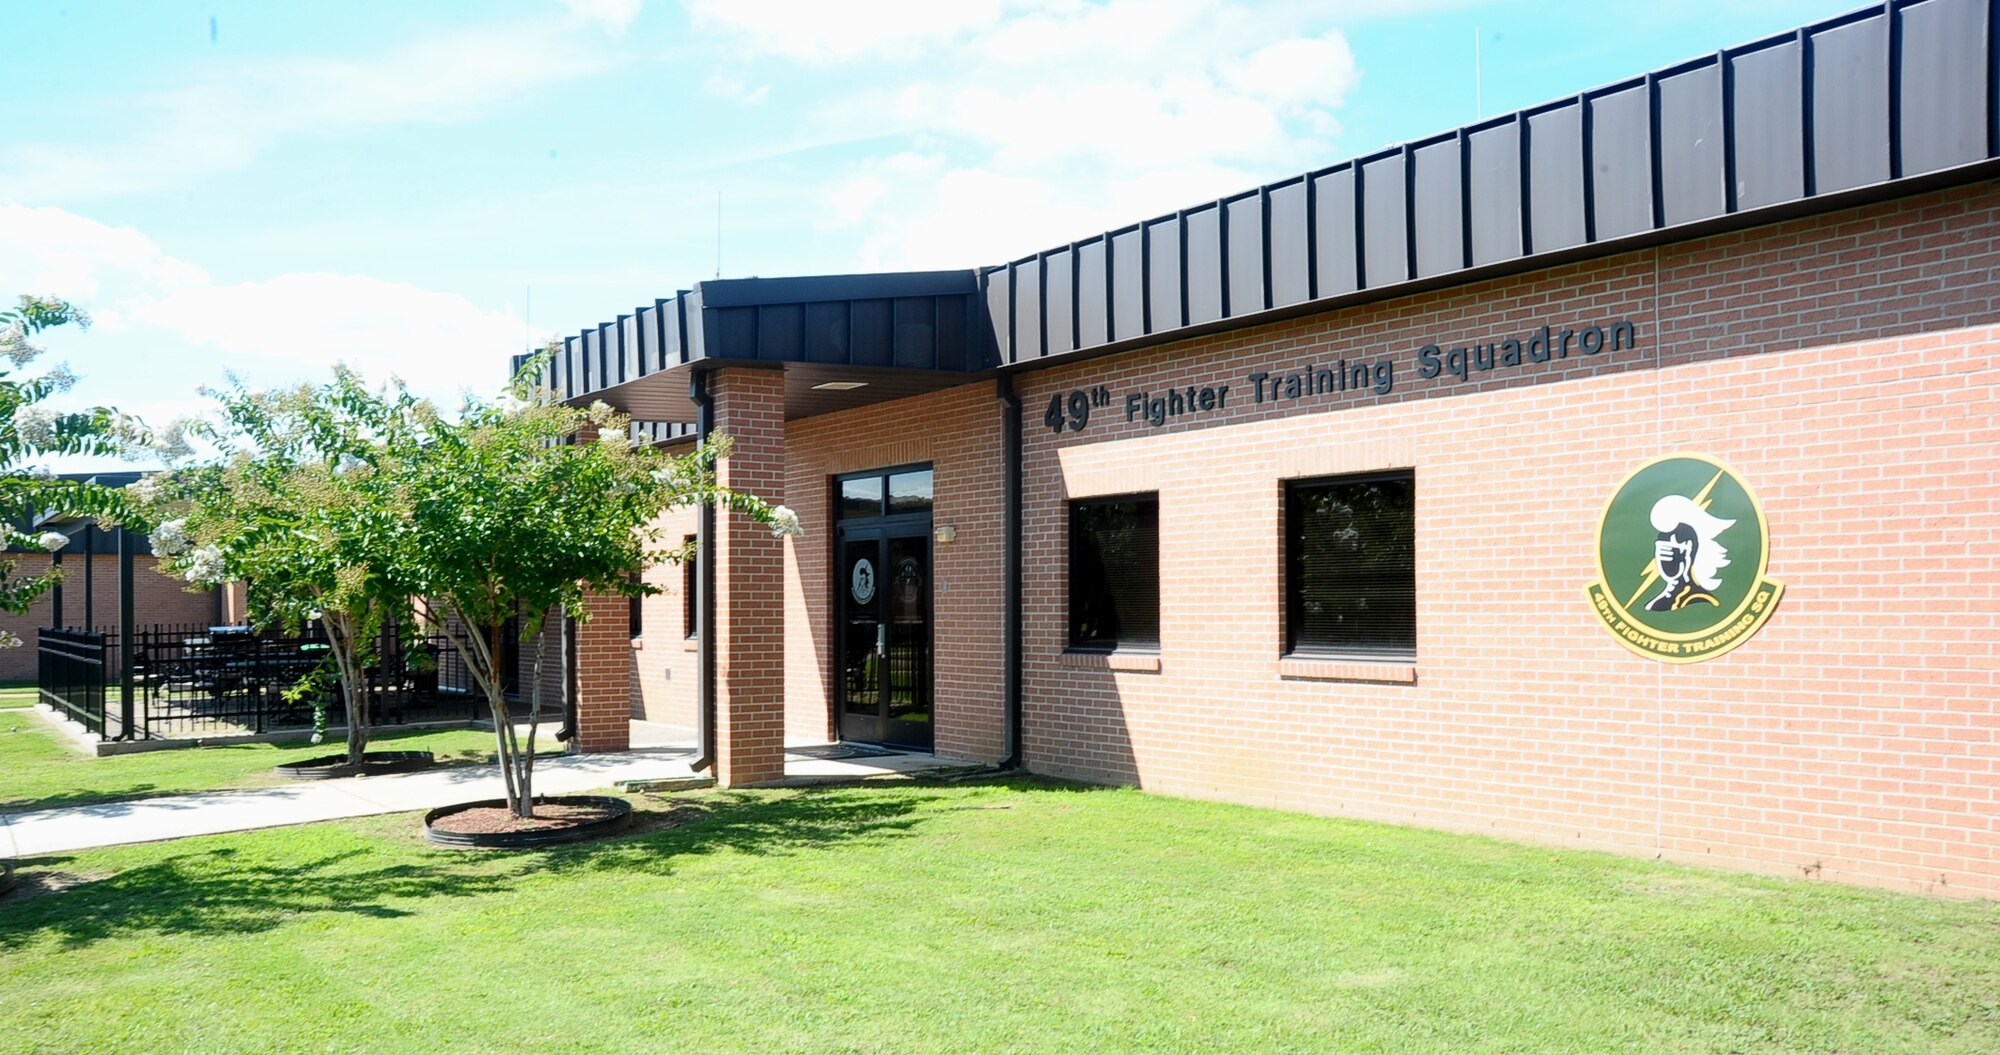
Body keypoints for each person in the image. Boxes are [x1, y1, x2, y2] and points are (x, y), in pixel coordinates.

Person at [1646, 494, 1733, 612]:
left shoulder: (1697, 598)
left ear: (1689, 553)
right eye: (1661, 549)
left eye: (1670, 550)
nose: (1663, 557)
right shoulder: (1661, 601)